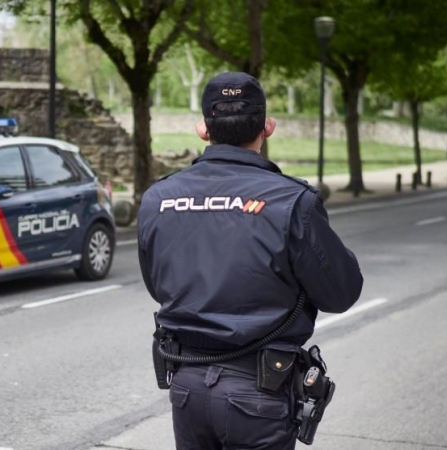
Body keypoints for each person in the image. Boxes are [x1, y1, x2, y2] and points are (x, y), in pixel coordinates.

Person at [137, 72, 363, 449]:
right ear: (267, 128)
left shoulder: (158, 197)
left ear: (203, 130)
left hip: (187, 390)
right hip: (260, 394)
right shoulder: (293, 201)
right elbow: (341, 293)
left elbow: (156, 284)